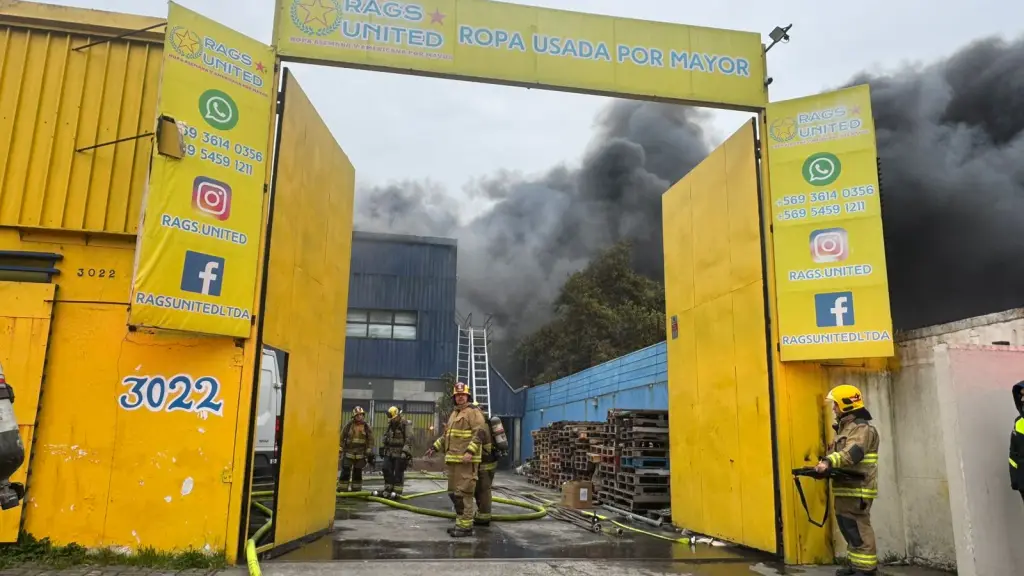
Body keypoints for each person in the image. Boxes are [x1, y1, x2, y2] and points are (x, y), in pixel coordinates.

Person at [814, 384, 880, 576]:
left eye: (835, 405)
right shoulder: (847, 428)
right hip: (847, 488)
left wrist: (828, 462)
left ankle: (866, 570)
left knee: (859, 527)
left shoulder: (861, 429)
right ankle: (856, 565)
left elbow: (852, 454)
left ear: (846, 405)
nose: (833, 409)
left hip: (858, 489)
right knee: (848, 527)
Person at [426, 382, 487, 537]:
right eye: (457, 395)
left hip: (466, 461)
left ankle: (466, 526)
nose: (460, 397)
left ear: (467, 396)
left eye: (463, 395)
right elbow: (447, 436)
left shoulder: (473, 412)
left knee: (464, 493)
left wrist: (470, 452)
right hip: (453, 461)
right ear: (454, 397)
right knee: (453, 493)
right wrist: (434, 447)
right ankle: (460, 522)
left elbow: (480, 433)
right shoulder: (454, 414)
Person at [339, 406, 374, 492]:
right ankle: (342, 489)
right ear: (354, 416)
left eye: (361, 415)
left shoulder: (366, 427)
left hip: (360, 454)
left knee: (357, 472)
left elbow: (371, 439)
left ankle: (356, 489)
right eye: (358, 415)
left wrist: (369, 450)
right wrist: (340, 449)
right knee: (345, 471)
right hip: (349, 452)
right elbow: (342, 437)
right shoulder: (349, 426)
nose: (360, 417)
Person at [381, 405, 413, 498]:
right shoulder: (390, 425)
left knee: (398, 472)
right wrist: (384, 448)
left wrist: (405, 452)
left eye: (393, 418)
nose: (391, 420)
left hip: (400, 453)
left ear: (398, 416)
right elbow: (386, 437)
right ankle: (388, 488)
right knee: (385, 468)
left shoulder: (405, 424)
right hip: (389, 451)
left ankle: (397, 492)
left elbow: (409, 439)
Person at [473, 401, 496, 527]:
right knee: (479, 490)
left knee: (484, 490)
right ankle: (481, 513)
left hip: (485, 464)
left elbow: (477, 443)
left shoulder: (483, 426)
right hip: (485, 463)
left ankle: (484, 517)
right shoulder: (485, 423)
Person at [1008, 381, 1024, 504]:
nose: (1022, 399)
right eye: (1021, 395)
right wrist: (1016, 478)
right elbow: (1014, 453)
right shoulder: (1019, 423)